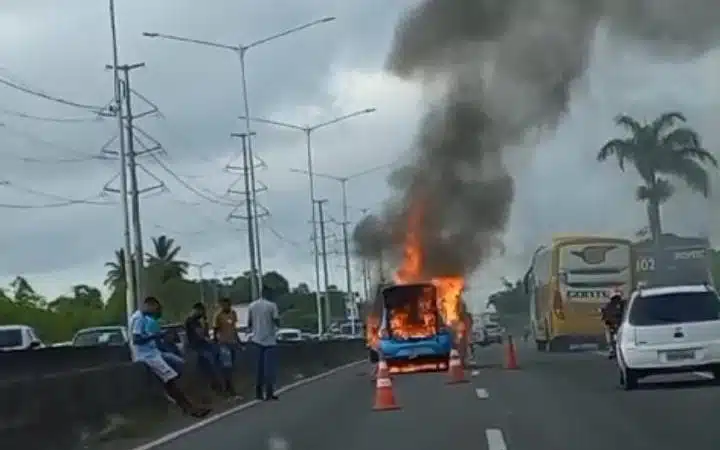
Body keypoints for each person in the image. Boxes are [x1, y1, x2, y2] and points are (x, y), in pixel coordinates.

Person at [130, 296, 210, 418]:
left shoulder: (145, 318)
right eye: (154, 309)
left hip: (154, 352)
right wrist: (155, 336)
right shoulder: (139, 318)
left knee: (179, 363)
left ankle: (177, 397)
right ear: (149, 305)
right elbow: (136, 339)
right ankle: (188, 407)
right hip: (147, 356)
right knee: (170, 379)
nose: (155, 312)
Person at [185, 302, 225, 395]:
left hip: (202, 345)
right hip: (197, 346)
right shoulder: (191, 320)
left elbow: (204, 333)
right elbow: (201, 334)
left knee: (217, 356)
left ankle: (218, 384)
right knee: (211, 360)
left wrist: (206, 323)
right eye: (202, 311)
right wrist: (208, 340)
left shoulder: (197, 321)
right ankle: (216, 385)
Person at [247, 285, 280, 401]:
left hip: (256, 340)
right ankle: (269, 392)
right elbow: (276, 321)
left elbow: (249, 323)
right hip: (269, 341)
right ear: (268, 293)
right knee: (269, 369)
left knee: (258, 369)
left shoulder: (252, 305)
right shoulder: (272, 306)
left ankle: (258, 393)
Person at [212, 298, 239, 397]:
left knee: (232, 366)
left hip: (232, 342)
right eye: (223, 305)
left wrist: (238, 341)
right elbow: (215, 329)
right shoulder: (218, 315)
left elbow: (234, 328)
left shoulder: (233, 313)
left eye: (227, 304)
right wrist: (216, 341)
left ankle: (228, 385)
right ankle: (229, 388)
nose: (225, 306)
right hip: (223, 343)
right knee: (227, 365)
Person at [601, 290, 625, 359]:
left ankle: (611, 348)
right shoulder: (622, 304)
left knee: (607, 329)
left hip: (617, 324)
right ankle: (611, 348)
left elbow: (604, 316)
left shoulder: (610, 305)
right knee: (607, 329)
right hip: (617, 324)